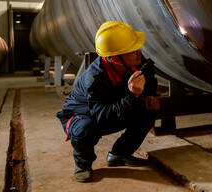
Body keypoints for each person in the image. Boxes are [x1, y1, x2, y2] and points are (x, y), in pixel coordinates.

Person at [56, 21, 160, 183]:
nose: (139, 52)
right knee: (86, 128)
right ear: (115, 59)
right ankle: (83, 164)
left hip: (109, 109)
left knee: (148, 110)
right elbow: (103, 118)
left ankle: (120, 154)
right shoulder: (94, 79)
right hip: (83, 115)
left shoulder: (133, 60)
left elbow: (150, 78)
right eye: (132, 50)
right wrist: (132, 96)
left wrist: (148, 96)